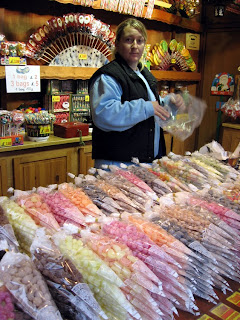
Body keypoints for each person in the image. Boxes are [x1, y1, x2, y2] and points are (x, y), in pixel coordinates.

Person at [88, 18, 185, 168]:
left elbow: (155, 112)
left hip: (144, 164)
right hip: (116, 165)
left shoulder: (144, 75)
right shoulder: (108, 76)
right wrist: (146, 108)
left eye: (140, 41)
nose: (135, 46)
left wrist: (169, 104)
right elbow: (104, 114)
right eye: (129, 40)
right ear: (117, 43)